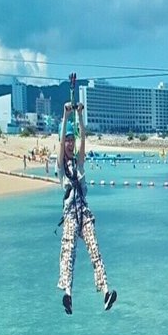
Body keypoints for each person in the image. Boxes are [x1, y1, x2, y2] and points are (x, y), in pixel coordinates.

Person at [57, 102, 117, 314]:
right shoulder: (61, 167)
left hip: (84, 213)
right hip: (70, 215)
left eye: (71, 141)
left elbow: (83, 139)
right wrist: (66, 116)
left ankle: (106, 293)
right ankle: (68, 294)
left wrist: (80, 116)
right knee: (68, 252)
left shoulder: (79, 162)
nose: (70, 144)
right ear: (63, 142)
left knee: (95, 250)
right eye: (67, 141)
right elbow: (62, 138)